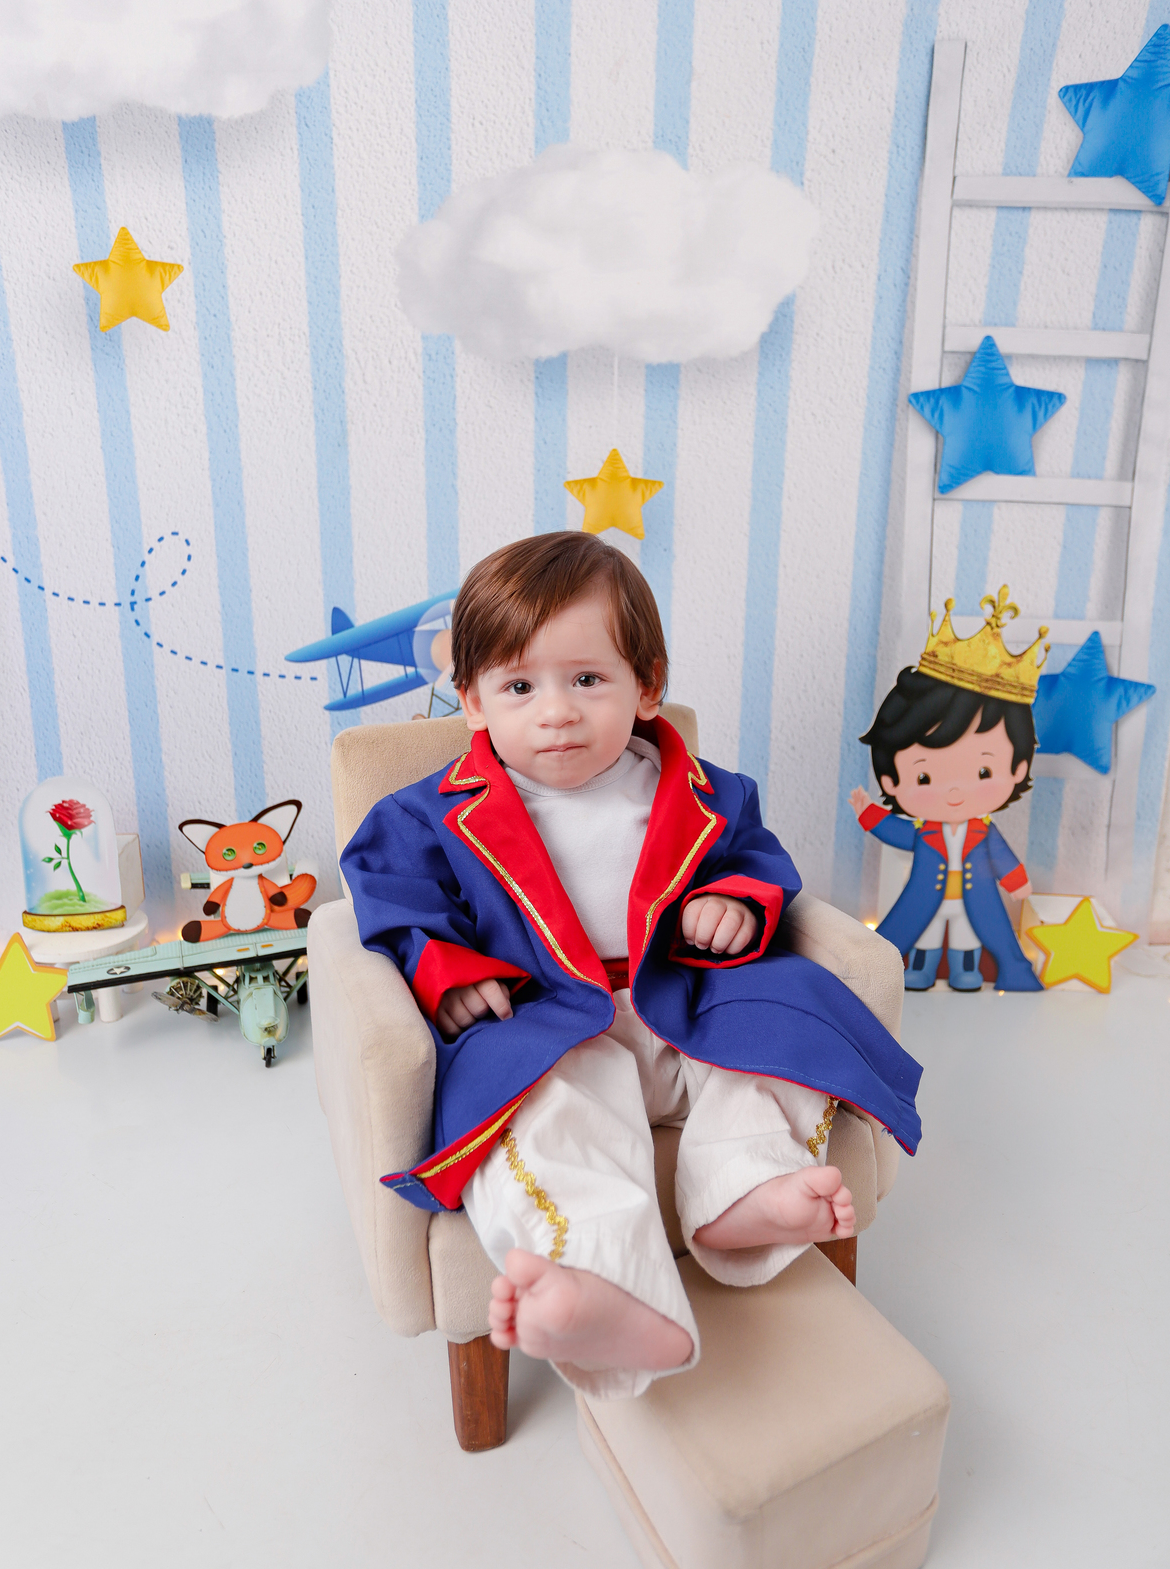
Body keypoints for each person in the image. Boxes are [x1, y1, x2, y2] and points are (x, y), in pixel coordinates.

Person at [342, 532, 921, 1397]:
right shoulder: (427, 816)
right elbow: (397, 902)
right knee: (545, 1117)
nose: (557, 712)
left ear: (647, 685)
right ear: (472, 702)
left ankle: (744, 1192)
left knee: (773, 1046)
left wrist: (734, 902)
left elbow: (752, 858)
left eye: (587, 679)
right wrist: (451, 974)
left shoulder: (701, 792)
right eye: (519, 686)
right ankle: (604, 1286)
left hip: (687, 1001)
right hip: (549, 1023)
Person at [849, 587, 1044, 992]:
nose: (955, 791)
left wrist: (1016, 880)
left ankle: (965, 972)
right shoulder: (924, 832)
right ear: (890, 779)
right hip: (928, 899)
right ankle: (919, 970)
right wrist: (868, 812)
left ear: (1019, 769)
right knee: (925, 933)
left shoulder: (984, 832)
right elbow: (897, 831)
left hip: (975, 901)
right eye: (924, 778)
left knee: (968, 938)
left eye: (984, 771)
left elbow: (1002, 856)